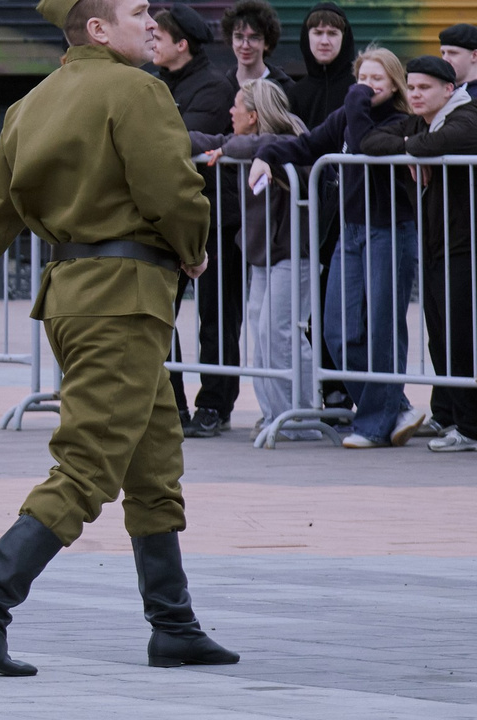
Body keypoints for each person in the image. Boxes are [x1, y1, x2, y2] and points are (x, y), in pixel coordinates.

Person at [0, 0, 236, 677]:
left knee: (154, 460)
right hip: (126, 301)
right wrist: (193, 248)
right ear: (96, 29)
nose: (152, 24)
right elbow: (170, 189)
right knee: (90, 462)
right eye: (137, 14)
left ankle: (174, 624)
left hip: (72, 298)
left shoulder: (30, 104)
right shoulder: (136, 91)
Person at [187, 79, 339, 437]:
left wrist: (237, 148)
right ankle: (276, 414)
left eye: (237, 108)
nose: (230, 112)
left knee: (281, 332)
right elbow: (214, 142)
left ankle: (300, 417)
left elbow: (277, 143)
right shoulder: (245, 144)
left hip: (292, 254)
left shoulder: (290, 140)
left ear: (253, 116)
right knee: (262, 331)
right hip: (263, 256)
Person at [363, 56, 477, 453]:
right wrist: (415, 149)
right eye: (410, 87)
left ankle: (472, 426)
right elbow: (371, 142)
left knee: (462, 336)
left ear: (448, 90)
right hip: (434, 244)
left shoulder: (466, 114)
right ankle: (448, 414)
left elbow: (447, 142)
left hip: (465, 246)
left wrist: (415, 150)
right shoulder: (420, 122)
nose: (414, 94)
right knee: (440, 336)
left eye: (424, 88)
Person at [321, 50, 424, 446]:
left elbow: (365, 143)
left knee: (382, 328)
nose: (367, 85)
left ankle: (374, 425)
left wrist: (356, 99)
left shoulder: (401, 122)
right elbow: (312, 142)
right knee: (337, 331)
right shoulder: (351, 114)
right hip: (351, 231)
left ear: (395, 83)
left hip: (390, 231)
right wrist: (266, 155)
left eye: (377, 79)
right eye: (362, 77)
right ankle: (395, 407)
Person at [150, 3, 238, 434]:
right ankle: (173, 405)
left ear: (181, 45)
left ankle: (214, 407)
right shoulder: (156, 83)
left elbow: (173, 144)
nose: (151, 42)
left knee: (216, 319)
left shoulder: (214, 89)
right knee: (161, 314)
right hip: (171, 218)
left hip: (214, 219)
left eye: (159, 38)